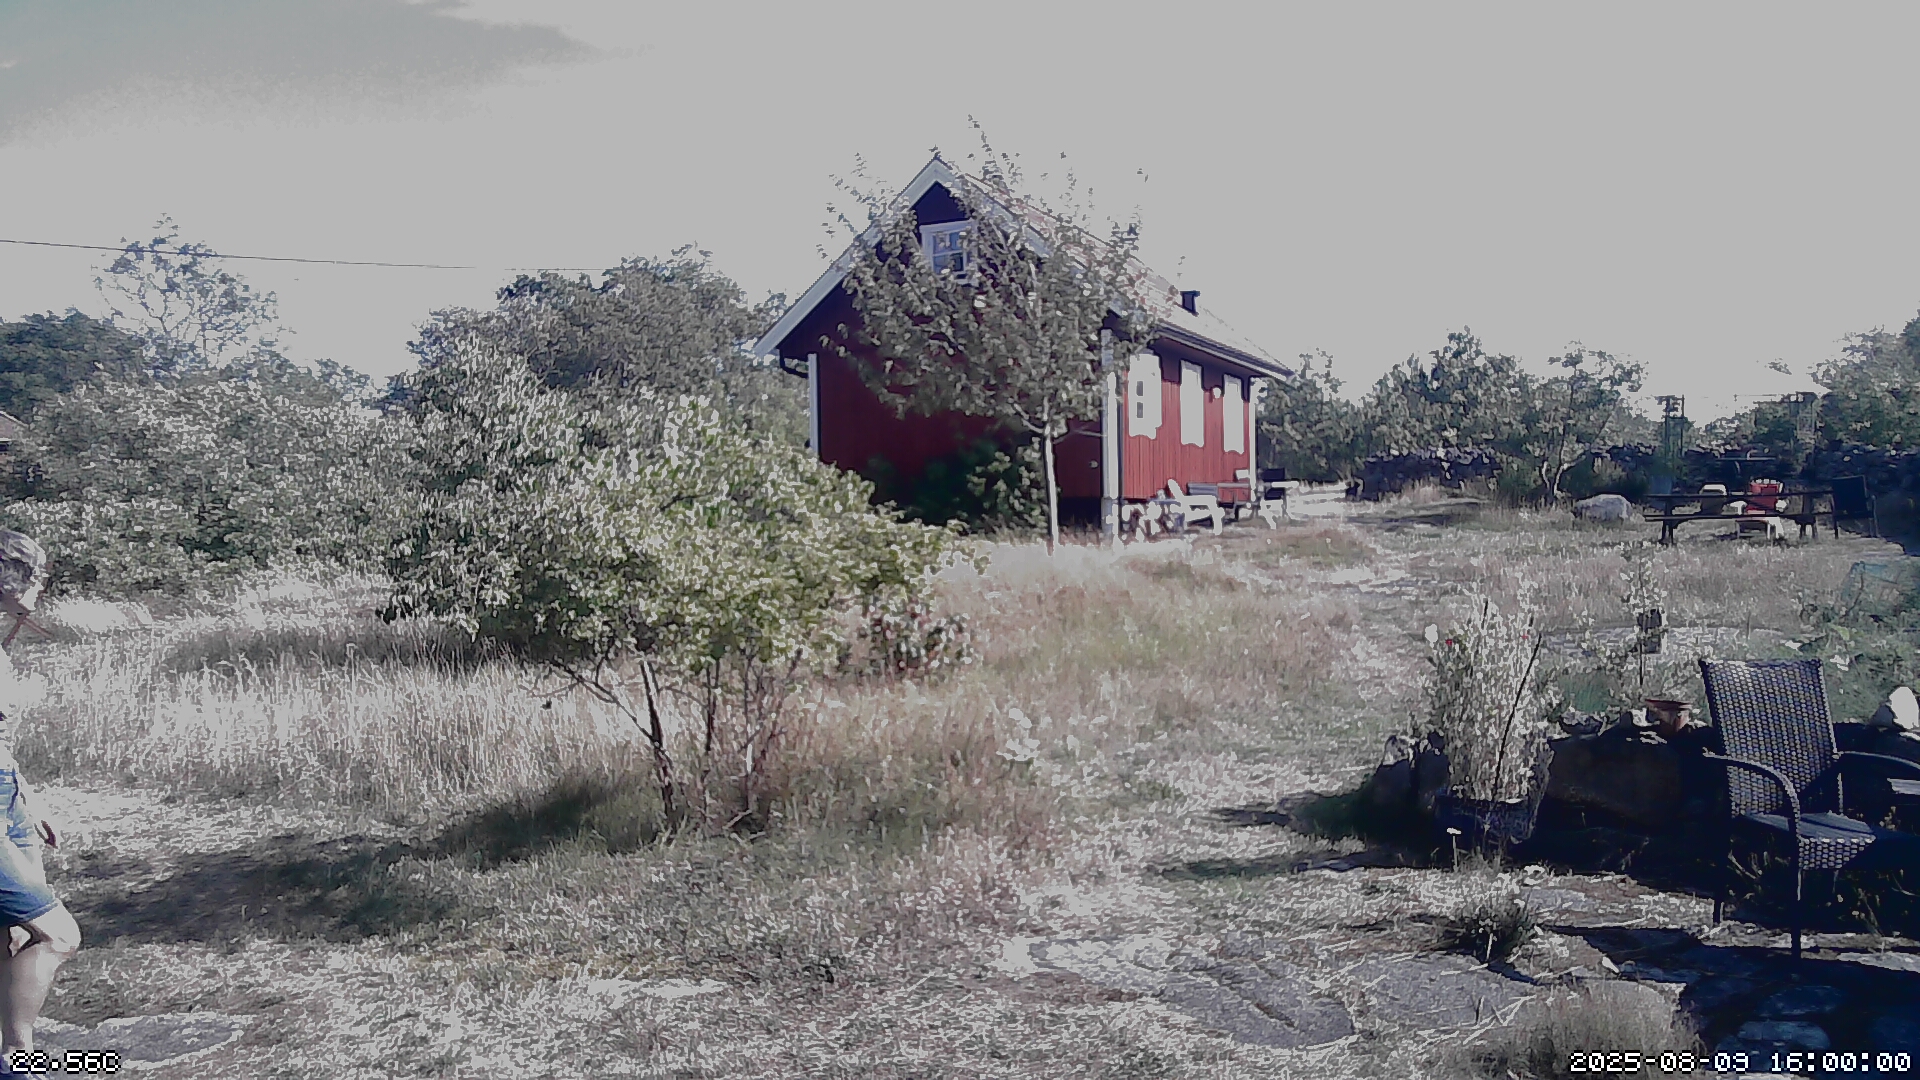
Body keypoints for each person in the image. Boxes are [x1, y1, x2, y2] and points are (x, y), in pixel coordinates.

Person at [0, 532, 79, 1074]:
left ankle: (12, 1053)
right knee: (59, 934)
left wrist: (29, 799)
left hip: (9, 796)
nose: (41, 585)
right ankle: (19, 1056)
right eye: (35, 573)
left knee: (12, 932)